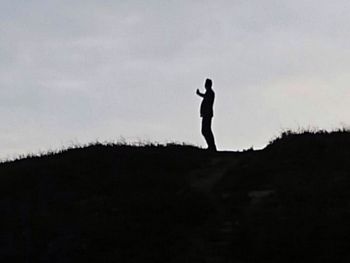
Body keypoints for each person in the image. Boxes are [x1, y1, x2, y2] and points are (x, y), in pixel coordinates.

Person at [196, 78, 217, 151]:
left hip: (207, 114)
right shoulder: (209, 92)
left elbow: (205, 97)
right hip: (206, 114)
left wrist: (199, 94)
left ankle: (212, 146)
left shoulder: (210, 93)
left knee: (206, 130)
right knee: (205, 130)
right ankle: (211, 146)